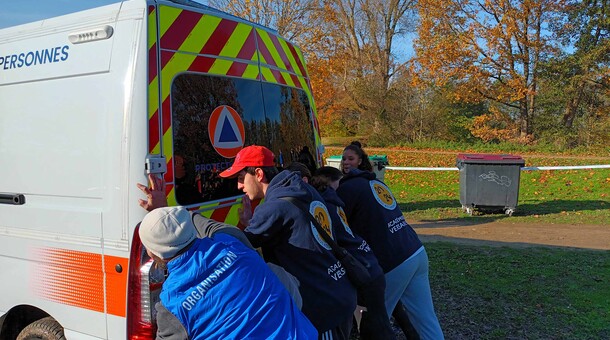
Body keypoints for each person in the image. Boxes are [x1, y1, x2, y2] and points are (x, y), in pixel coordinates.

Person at [219, 145, 357, 339]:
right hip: (337, 289)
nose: (239, 186)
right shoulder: (301, 188)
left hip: (323, 305)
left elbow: (239, 246)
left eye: (241, 179)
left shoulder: (274, 207)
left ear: (258, 174)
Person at [138, 206, 317, 339]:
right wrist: (177, 216)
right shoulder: (232, 243)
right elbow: (207, 225)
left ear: (153, 253)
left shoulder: (171, 305)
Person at [337, 144, 444, 340]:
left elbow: (337, 225)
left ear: (360, 160)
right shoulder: (376, 183)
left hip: (393, 260)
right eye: (343, 159)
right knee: (426, 318)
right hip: (416, 251)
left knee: (375, 322)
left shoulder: (347, 189)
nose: (345, 162)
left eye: (350, 158)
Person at [310, 166, 395, 340]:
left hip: (362, 270)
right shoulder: (336, 202)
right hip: (368, 264)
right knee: (377, 324)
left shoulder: (325, 206)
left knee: (376, 328)